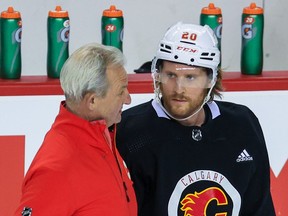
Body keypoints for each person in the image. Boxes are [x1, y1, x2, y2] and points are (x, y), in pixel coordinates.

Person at [116, 22, 276, 215]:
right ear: (157, 74)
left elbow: (259, 207)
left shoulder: (242, 123)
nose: (178, 89)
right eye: (170, 75)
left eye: (190, 77)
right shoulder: (129, 131)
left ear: (211, 79)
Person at [14, 43, 137, 216]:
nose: (128, 99)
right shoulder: (57, 168)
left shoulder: (104, 137)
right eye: (121, 92)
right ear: (92, 101)